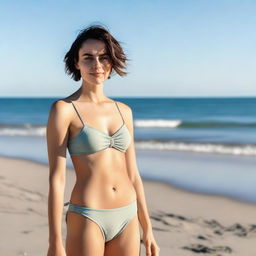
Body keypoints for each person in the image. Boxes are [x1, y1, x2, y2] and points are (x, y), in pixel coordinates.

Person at [46, 24, 160, 256]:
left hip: (127, 215)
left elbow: (133, 173)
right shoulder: (64, 110)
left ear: (112, 62)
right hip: (88, 215)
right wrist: (55, 241)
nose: (97, 65)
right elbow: (56, 179)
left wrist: (147, 228)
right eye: (88, 58)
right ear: (76, 63)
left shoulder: (124, 111)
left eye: (103, 57)